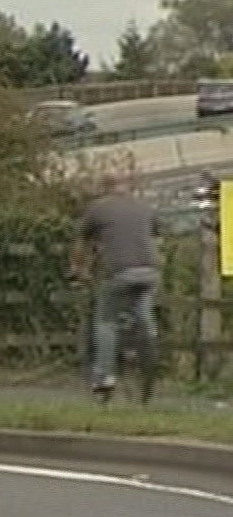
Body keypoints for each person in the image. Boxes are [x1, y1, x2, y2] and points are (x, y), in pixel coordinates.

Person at [72, 172, 160, 404]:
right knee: (143, 312)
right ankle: (148, 344)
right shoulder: (145, 207)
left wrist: (79, 270)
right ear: (129, 188)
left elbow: (82, 242)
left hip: (118, 272)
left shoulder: (98, 209)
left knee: (106, 321)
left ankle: (104, 377)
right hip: (148, 271)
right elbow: (157, 235)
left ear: (104, 187)